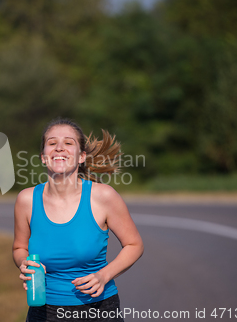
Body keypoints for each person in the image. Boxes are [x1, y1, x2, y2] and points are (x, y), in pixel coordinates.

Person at [13, 118, 144, 322]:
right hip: (44, 311)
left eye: (68, 143)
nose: (59, 148)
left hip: (98, 309)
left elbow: (134, 244)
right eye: (52, 143)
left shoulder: (103, 197)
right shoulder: (26, 200)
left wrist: (104, 275)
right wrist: (24, 263)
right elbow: (19, 248)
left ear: (81, 156)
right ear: (43, 157)